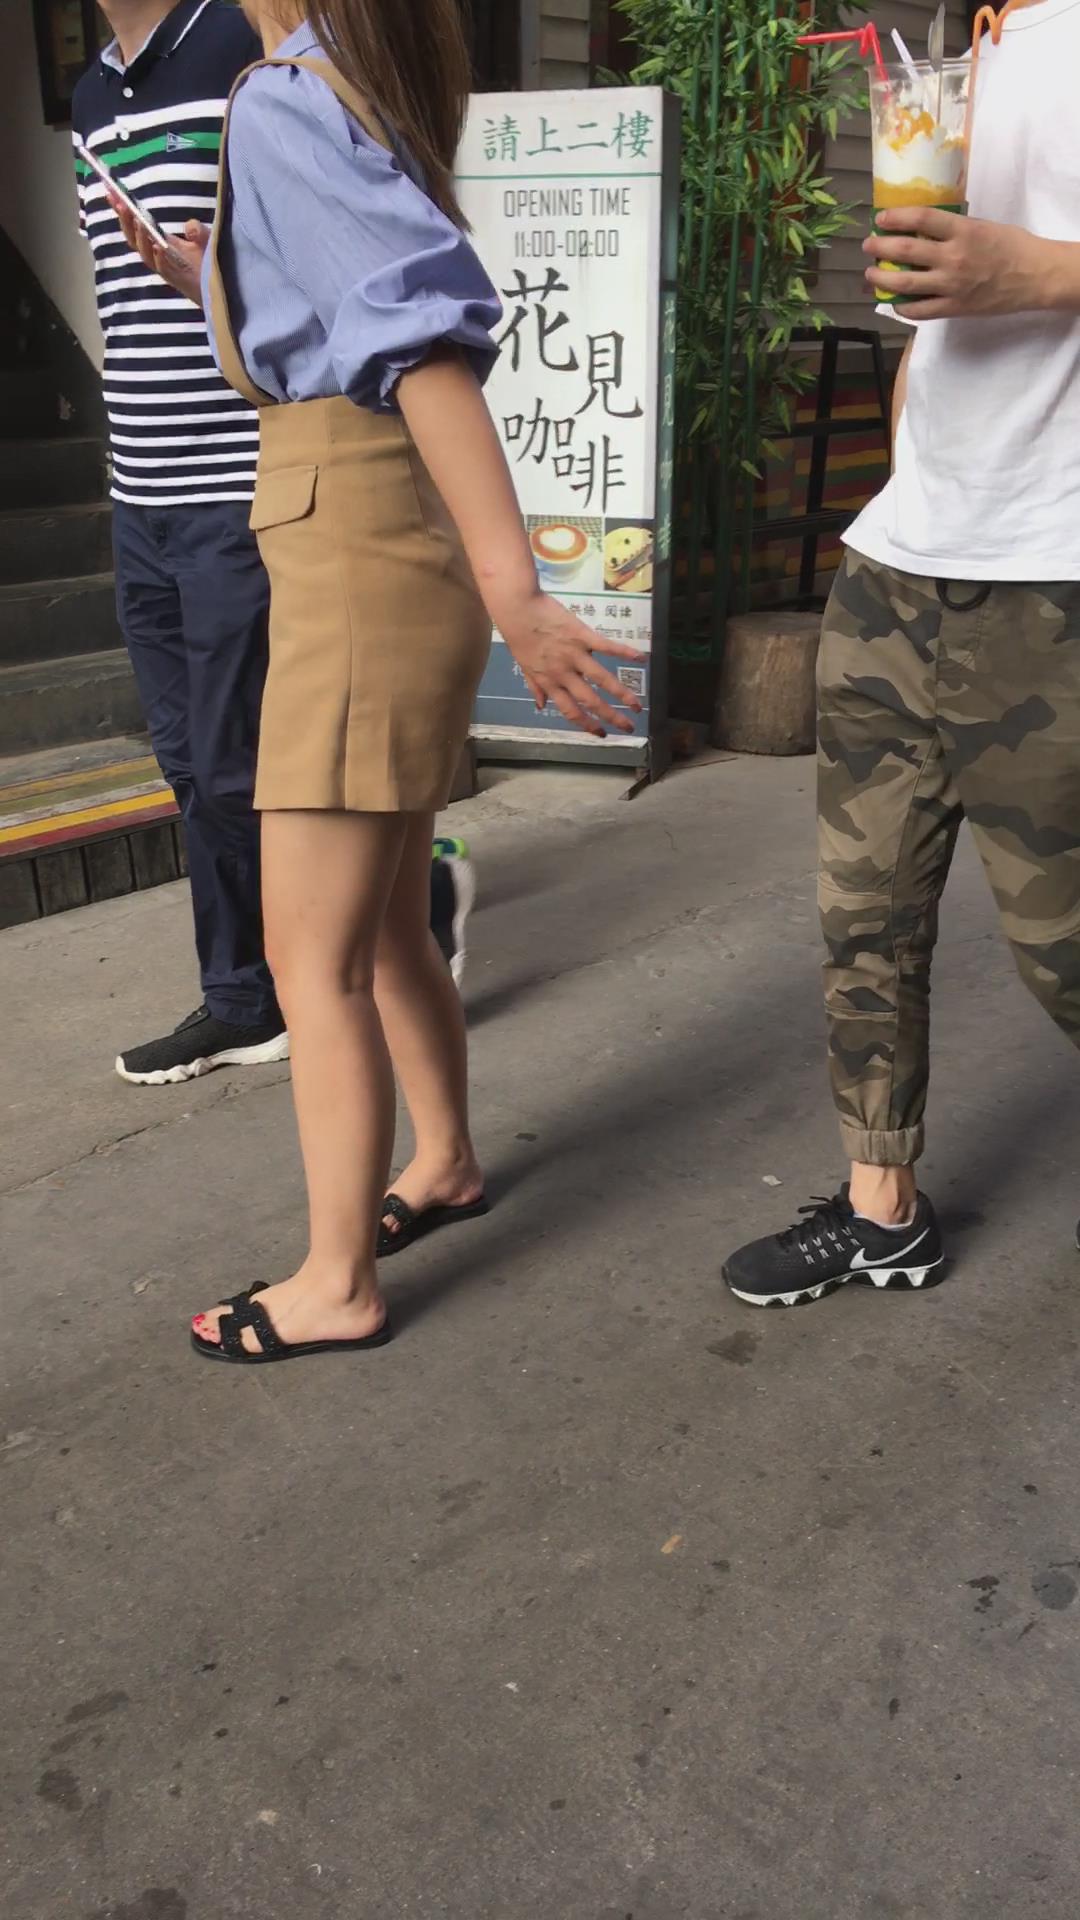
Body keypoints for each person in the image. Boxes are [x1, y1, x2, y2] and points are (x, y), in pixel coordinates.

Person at [117, 0, 644, 1361]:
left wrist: (520, 593)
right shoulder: (343, 82)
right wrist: (216, 277)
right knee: (391, 922)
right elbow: (361, 316)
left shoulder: (285, 97)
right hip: (371, 541)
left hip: (352, 551)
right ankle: (446, 1160)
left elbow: (418, 350)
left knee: (313, 957)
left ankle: (336, 1281)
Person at [723, 0, 1080, 1307]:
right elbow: (933, 307)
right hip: (899, 564)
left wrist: (1042, 275)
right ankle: (884, 1212)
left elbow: (1014, 271)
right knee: (864, 921)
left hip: (1058, 577)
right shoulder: (965, 42)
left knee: (1064, 952)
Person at [73, 0, 477, 1090]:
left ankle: (291, 975)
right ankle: (288, 974)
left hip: (254, 475)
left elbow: (386, 305)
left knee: (238, 769)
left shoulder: (252, 59)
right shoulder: (93, 90)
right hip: (142, 479)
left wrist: (513, 583)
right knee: (188, 762)